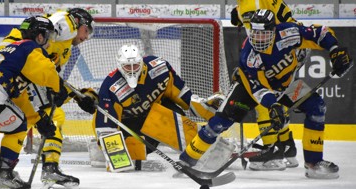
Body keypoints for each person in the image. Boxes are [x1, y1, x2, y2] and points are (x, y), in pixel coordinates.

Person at [179, 9, 352, 179]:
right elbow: (259, 89)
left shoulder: (288, 33)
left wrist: (335, 49)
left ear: (274, 30)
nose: (259, 38)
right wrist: (273, 105)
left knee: (317, 107)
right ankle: (187, 161)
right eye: (255, 33)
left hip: (285, 86)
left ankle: (314, 164)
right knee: (219, 122)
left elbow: (320, 32)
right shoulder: (249, 55)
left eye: (264, 34)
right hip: (249, 89)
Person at [0, 8, 98, 189]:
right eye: (87, 30)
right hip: (17, 73)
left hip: (19, 77)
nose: (86, 37)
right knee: (50, 117)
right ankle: (49, 169)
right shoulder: (63, 25)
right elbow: (45, 73)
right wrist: (73, 94)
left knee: (27, 120)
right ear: (79, 22)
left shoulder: (66, 46)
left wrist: (78, 95)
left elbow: (52, 78)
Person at [94, 44, 225, 170]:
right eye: (128, 67)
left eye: (135, 65)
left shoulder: (159, 68)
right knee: (131, 158)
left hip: (152, 124)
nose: (133, 69)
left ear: (142, 62)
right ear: (119, 66)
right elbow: (106, 127)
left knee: (173, 111)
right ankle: (102, 151)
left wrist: (205, 108)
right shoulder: (111, 87)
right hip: (126, 127)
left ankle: (206, 150)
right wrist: (115, 156)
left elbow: (183, 96)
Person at [0, 15, 68, 189]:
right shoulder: (30, 48)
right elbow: (46, 71)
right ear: (39, 37)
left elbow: (19, 102)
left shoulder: (10, 53)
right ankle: (4, 173)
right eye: (48, 37)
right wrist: (59, 88)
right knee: (17, 126)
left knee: (17, 120)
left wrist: (39, 121)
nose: (50, 44)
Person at [229, 0, 309, 170]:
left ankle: (272, 151)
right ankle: (287, 148)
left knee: (263, 98)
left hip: (281, 50)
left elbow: (259, 40)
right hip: (291, 46)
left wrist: (245, 69)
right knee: (275, 99)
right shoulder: (250, 3)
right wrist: (238, 13)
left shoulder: (252, 4)